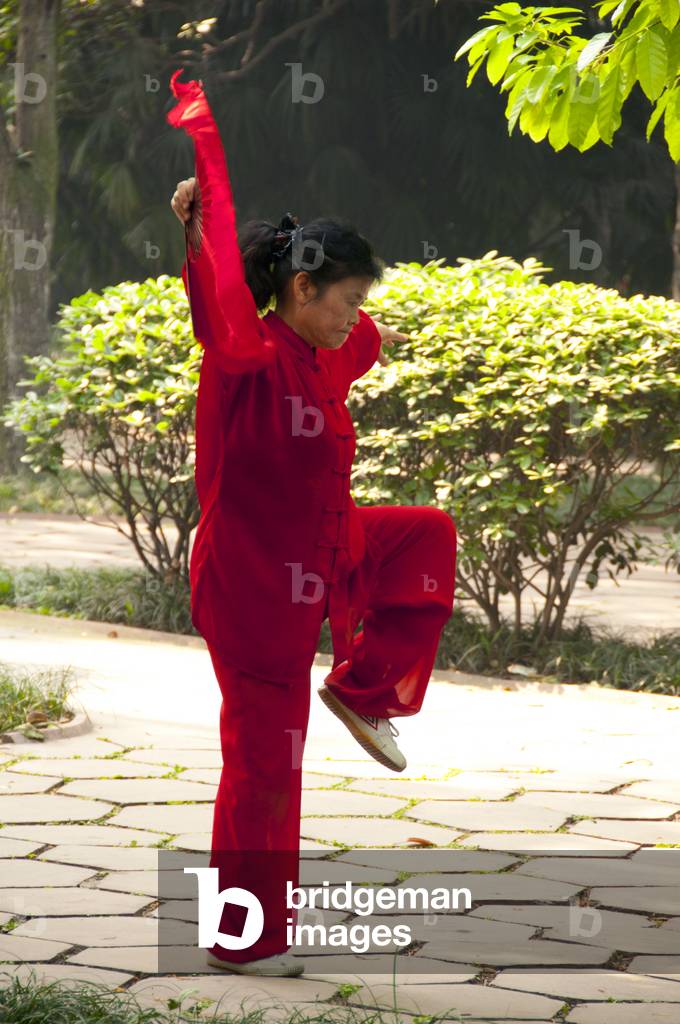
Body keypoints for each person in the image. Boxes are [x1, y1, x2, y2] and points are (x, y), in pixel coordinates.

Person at [168, 78, 457, 979]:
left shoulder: (329, 353)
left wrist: (340, 287)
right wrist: (201, 221)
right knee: (263, 761)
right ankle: (241, 940)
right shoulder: (248, 361)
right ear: (299, 291)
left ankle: (365, 690)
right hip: (254, 586)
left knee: (427, 533)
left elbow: (359, 329)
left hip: (324, 555)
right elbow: (222, 293)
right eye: (342, 300)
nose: (354, 318)